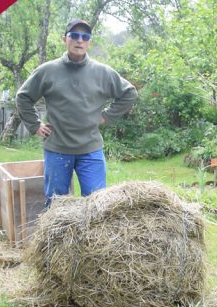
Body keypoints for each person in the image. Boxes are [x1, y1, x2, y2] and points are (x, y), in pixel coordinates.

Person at [16, 19, 138, 207]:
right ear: (65, 39)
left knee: (98, 204)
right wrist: (34, 125)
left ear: (89, 42)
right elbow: (23, 97)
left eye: (85, 36)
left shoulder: (102, 72)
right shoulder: (48, 71)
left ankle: (93, 238)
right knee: (56, 204)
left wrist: (107, 115)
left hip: (90, 149)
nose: (79, 40)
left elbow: (129, 93)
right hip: (57, 149)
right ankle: (55, 238)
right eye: (74, 35)